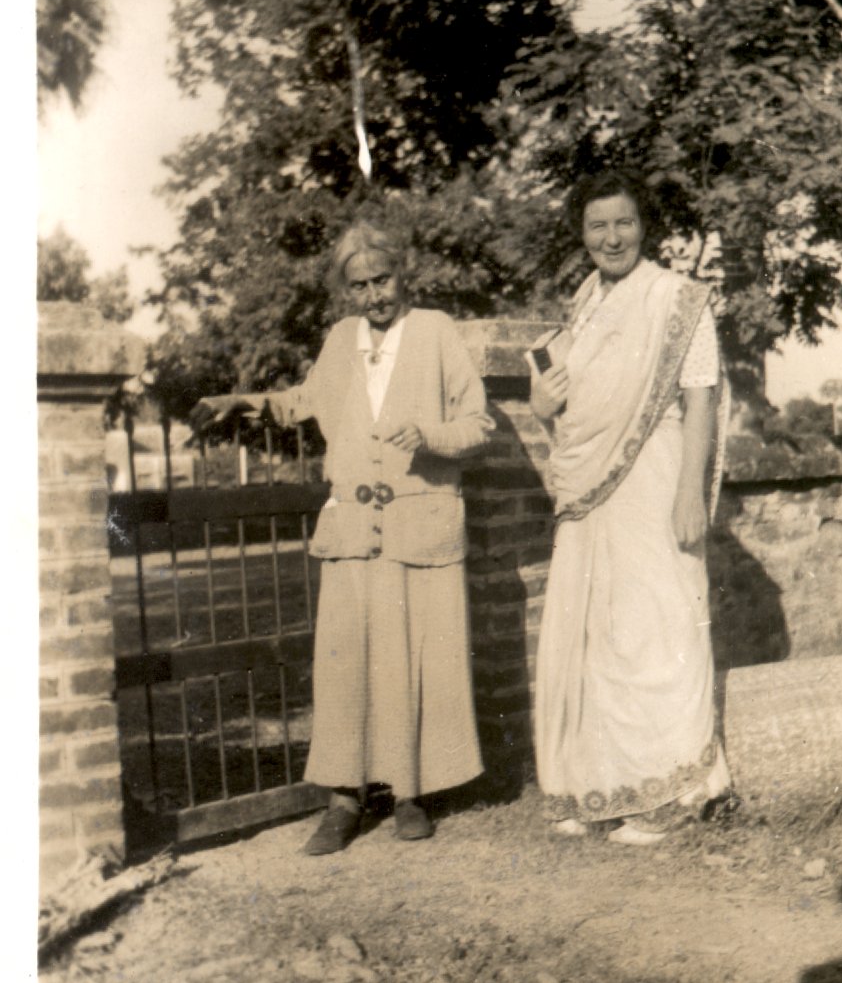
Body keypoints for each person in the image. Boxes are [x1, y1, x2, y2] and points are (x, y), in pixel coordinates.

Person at [190, 221, 494, 854]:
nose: (373, 295)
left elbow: (480, 423)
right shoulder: (340, 339)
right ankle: (343, 799)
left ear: (403, 272)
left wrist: (431, 434)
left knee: (410, 661)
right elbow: (305, 399)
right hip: (353, 528)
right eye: (359, 286)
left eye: (382, 280)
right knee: (346, 665)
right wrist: (241, 401)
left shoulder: (436, 332)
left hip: (417, 527)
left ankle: (409, 794)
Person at [528, 169, 732, 847]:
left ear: (644, 227)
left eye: (622, 222)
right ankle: (595, 791)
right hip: (590, 496)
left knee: (654, 627)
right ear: (582, 235)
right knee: (592, 632)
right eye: (597, 226)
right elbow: (570, 405)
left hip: (655, 480)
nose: (611, 237)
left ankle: (665, 793)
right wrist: (542, 405)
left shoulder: (678, 299)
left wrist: (687, 495)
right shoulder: (583, 304)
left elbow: (700, 396)